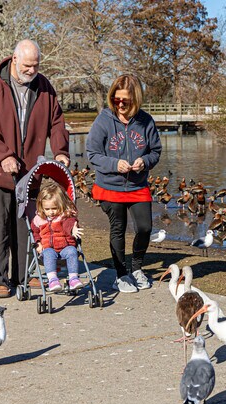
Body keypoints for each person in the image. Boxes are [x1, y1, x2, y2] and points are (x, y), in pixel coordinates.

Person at [0, 39, 69, 298]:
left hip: (29, 171)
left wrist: (60, 151)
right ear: (14, 59)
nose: (32, 70)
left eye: (36, 65)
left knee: (27, 226)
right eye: (27, 65)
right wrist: (3, 155)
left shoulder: (44, 86)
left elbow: (57, 121)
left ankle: (25, 274)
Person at [86, 74, 162, 293]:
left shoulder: (146, 121)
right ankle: (120, 275)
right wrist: (113, 164)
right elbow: (92, 153)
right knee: (118, 228)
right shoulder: (104, 120)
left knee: (145, 227)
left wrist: (144, 162)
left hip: (138, 186)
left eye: (125, 101)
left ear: (135, 99)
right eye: (116, 99)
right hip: (110, 186)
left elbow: (155, 151)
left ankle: (137, 269)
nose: (120, 104)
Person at [31, 182, 84, 292]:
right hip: (48, 249)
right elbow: (35, 233)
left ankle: (74, 278)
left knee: (72, 251)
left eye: (54, 208)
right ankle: (53, 280)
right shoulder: (38, 219)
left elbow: (68, 224)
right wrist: (38, 243)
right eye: (47, 209)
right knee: (48, 254)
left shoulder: (65, 216)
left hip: (65, 247)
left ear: (61, 205)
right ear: (42, 207)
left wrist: (73, 229)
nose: (51, 212)